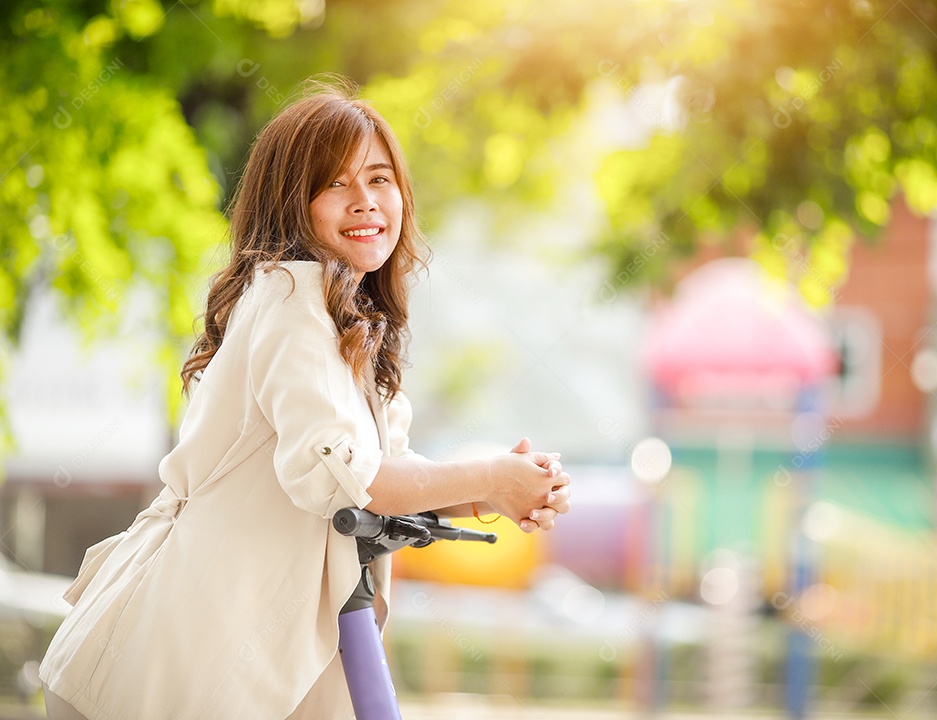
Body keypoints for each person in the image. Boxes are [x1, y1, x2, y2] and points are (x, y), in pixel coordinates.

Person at [37, 81, 571, 720]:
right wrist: (487, 476)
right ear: (292, 204)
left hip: (276, 662)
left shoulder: (350, 321)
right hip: (178, 664)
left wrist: (503, 488)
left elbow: (390, 473)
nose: (366, 202)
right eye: (335, 184)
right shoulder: (292, 294)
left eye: (379, 179)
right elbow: (345, 479)